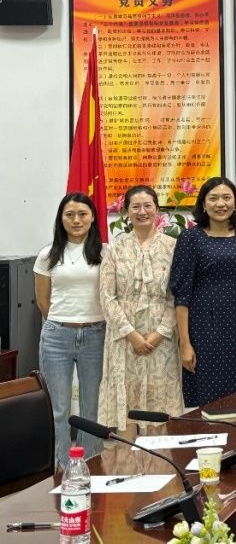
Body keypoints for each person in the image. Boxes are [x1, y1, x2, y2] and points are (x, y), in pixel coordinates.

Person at [98, 185, 184, 436]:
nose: (142, 211)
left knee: (160, 409)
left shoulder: (173, 247)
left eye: (148, 206)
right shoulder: (114, 249)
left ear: (157, 209)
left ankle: (162, 461)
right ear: (126, 211)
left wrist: (159, 333)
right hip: (124, 341)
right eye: (135, 207)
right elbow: (107, 297)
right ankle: (126, 460)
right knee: (127, 410)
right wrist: (131, 334)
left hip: (162, 341)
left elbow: (177, 296)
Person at [33, 193, 106, 469]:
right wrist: (64, 321)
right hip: (57, 337)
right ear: (61, 219)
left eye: (82, 214)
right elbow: (43, 301)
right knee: (59, 408)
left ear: (92, 217)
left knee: (91, 407)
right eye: (70, 214)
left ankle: (91, 463)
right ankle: (63, 468)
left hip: (96, 335)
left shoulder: (105, 253)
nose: (76, 220)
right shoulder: (48, 254)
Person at [170, 177, 236, 407]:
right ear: (203, 204)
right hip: (203, 331)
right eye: (213, 198)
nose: (220, 204)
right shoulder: (190, 238)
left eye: (226, 198)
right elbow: (181, 295)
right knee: (206, 401)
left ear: (235, 203)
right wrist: (185, 344)